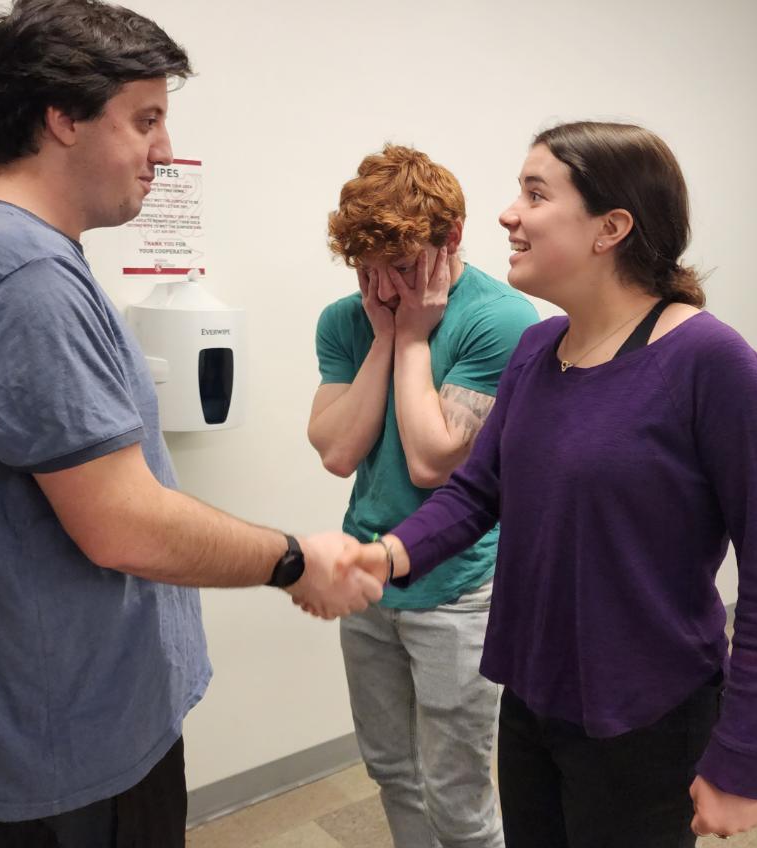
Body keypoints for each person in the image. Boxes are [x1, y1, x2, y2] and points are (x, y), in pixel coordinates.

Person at [0, 1, 382, 845]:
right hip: (59, 753)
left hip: (33, 731)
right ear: (62, 118)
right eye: (145, 120)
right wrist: (294, 559)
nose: (165, 151)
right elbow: (121, 523)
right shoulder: (21, 279)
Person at [340, 122, 757, 847]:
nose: (508, 214)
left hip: (647, 713)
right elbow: (474, 494)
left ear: (611, 228)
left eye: (535, 193)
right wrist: (388, 557)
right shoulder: (536, 349)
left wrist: (741, 755)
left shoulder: (712, 365)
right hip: (532, 696)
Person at [308, 144, 538, 847]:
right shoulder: (349, 319)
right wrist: (387, 336)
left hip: (458, 591)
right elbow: (337, 451)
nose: (382, 287)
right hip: (371, 581)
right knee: (391, 770)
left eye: (402, 267)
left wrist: (413, 340)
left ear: (451, 242)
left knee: (457, 793)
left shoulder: (502, 319)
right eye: (365, 269)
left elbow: (434, 460)